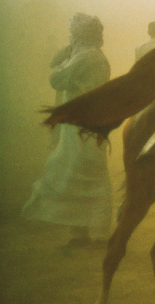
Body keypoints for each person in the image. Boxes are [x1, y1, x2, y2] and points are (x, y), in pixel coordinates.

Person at [22, 13, 113, 248]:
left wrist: (65, 56)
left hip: (83, 127)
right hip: (81, 125)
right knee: (77, 175)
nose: (71, 38)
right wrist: (66, 54)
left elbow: (56, 78)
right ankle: (81, 233)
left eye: (73, 34)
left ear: (79, 36)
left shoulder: (87, 57)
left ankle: (100, 234)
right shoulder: (91, 55)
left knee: (90, 176)